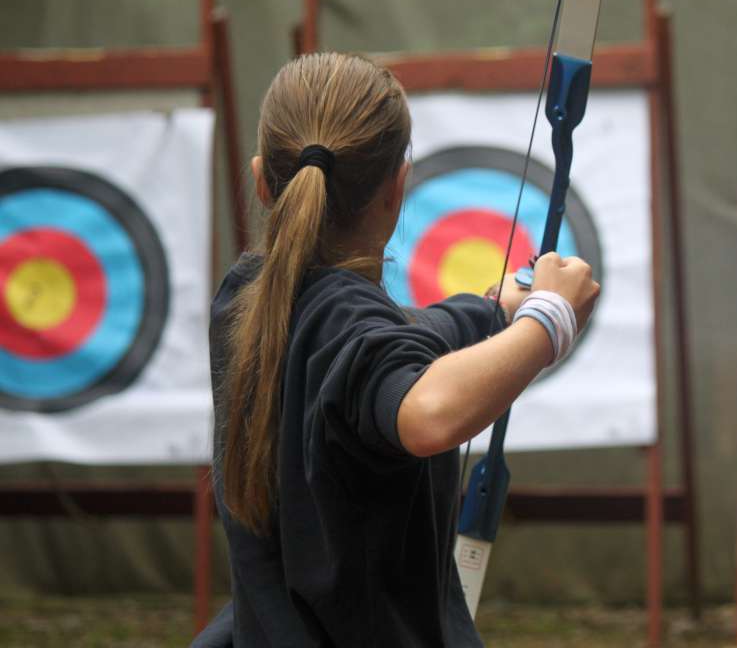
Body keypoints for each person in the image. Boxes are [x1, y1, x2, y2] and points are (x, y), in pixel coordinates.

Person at [191, 52, 599, 647]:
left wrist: (493, 311)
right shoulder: (348, 329)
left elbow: (388, 341)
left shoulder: (245, 299)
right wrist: (550, 319)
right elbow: (426, 411)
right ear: (397, 188)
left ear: (261, 180)